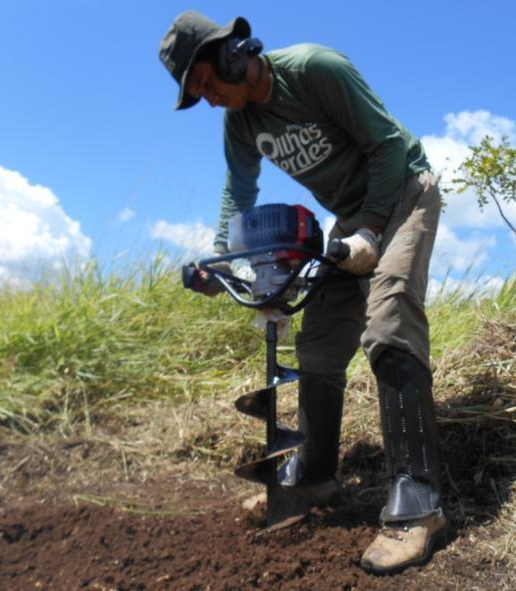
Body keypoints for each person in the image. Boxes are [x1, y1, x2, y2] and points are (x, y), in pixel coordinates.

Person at [159, 11, 445, 574]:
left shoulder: (315, 68)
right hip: (349, 219)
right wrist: (225, 265)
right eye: (198, 94)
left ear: (232, 55)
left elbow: (387, 146)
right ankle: (315, 476)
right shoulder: (240, 124)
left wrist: (369, 230)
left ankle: (419, 507)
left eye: (209, 84)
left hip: (405, 192)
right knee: (316, 345)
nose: (211, 99)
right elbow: (236, 197)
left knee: (387, 323)